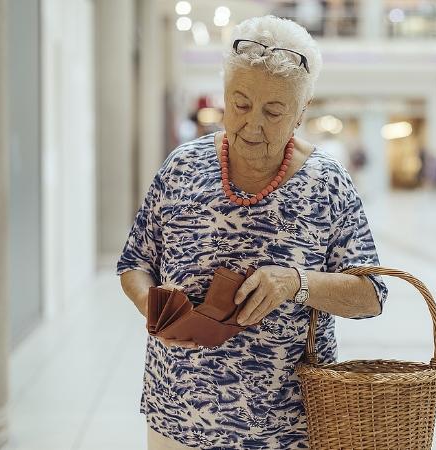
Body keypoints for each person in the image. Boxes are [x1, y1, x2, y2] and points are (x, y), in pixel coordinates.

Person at [116, 15, 388, 450]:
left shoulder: (326, 184)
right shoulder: (182, 167)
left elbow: (371, 295)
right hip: (176, 419)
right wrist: (155, 306)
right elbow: (134, 263)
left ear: (301, 111)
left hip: (287, 430)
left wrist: (296, 283)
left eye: (274, 112)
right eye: (240, 104)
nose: (253, 125)